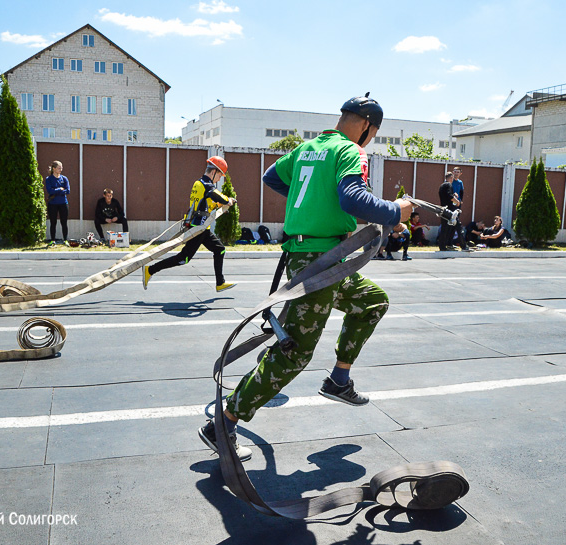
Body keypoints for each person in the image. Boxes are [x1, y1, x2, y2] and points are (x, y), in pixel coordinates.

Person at [199, 94, 413, 462]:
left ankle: (339, 381)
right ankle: (223, 422)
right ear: (367, 126)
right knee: (294, 354)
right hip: (321, 259)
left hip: (320, 259)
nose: (370, 139)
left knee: (373, 301)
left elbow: (272, 177)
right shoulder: (350, 151)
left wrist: (310, 196)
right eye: (373, 133)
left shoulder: (308, 148)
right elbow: (354, 199)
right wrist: (396, 210)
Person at [143, 157, 237, 292]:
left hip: (201, 227)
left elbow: (206, 204)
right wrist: (229, 200)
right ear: (214, 172)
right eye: (220, 175)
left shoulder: (198, 183)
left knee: (219, 249)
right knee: (183, 259)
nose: (219, 179)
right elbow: (219, 196)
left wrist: (218, 204)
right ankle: (150, 270)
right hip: (198, 228)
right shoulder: (207, 185)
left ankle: (220, 283)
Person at [437, 172, 470, 251]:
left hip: (443, 209)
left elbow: (446, 195)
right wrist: (457, 201)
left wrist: (454, 195)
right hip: (450, 210)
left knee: (444, 228)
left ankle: (443, 246)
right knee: (458, 226)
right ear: (451, 177)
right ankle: (464, 246)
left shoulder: (442, 186)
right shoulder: (449, 185)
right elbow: (449, 196)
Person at [45, 160, 71, 244]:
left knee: (64, 222)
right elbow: (50, 191)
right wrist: (60, 189)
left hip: (63, 203)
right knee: (53, 222)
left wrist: (56, 190)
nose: (61, 169)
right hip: (52, 204)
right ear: (54, 168)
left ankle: (65, 239)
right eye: (59, 168)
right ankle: (53, 240)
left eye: (61, 168)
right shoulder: (49, 179)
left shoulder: (64, 178)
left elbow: (68, 191)